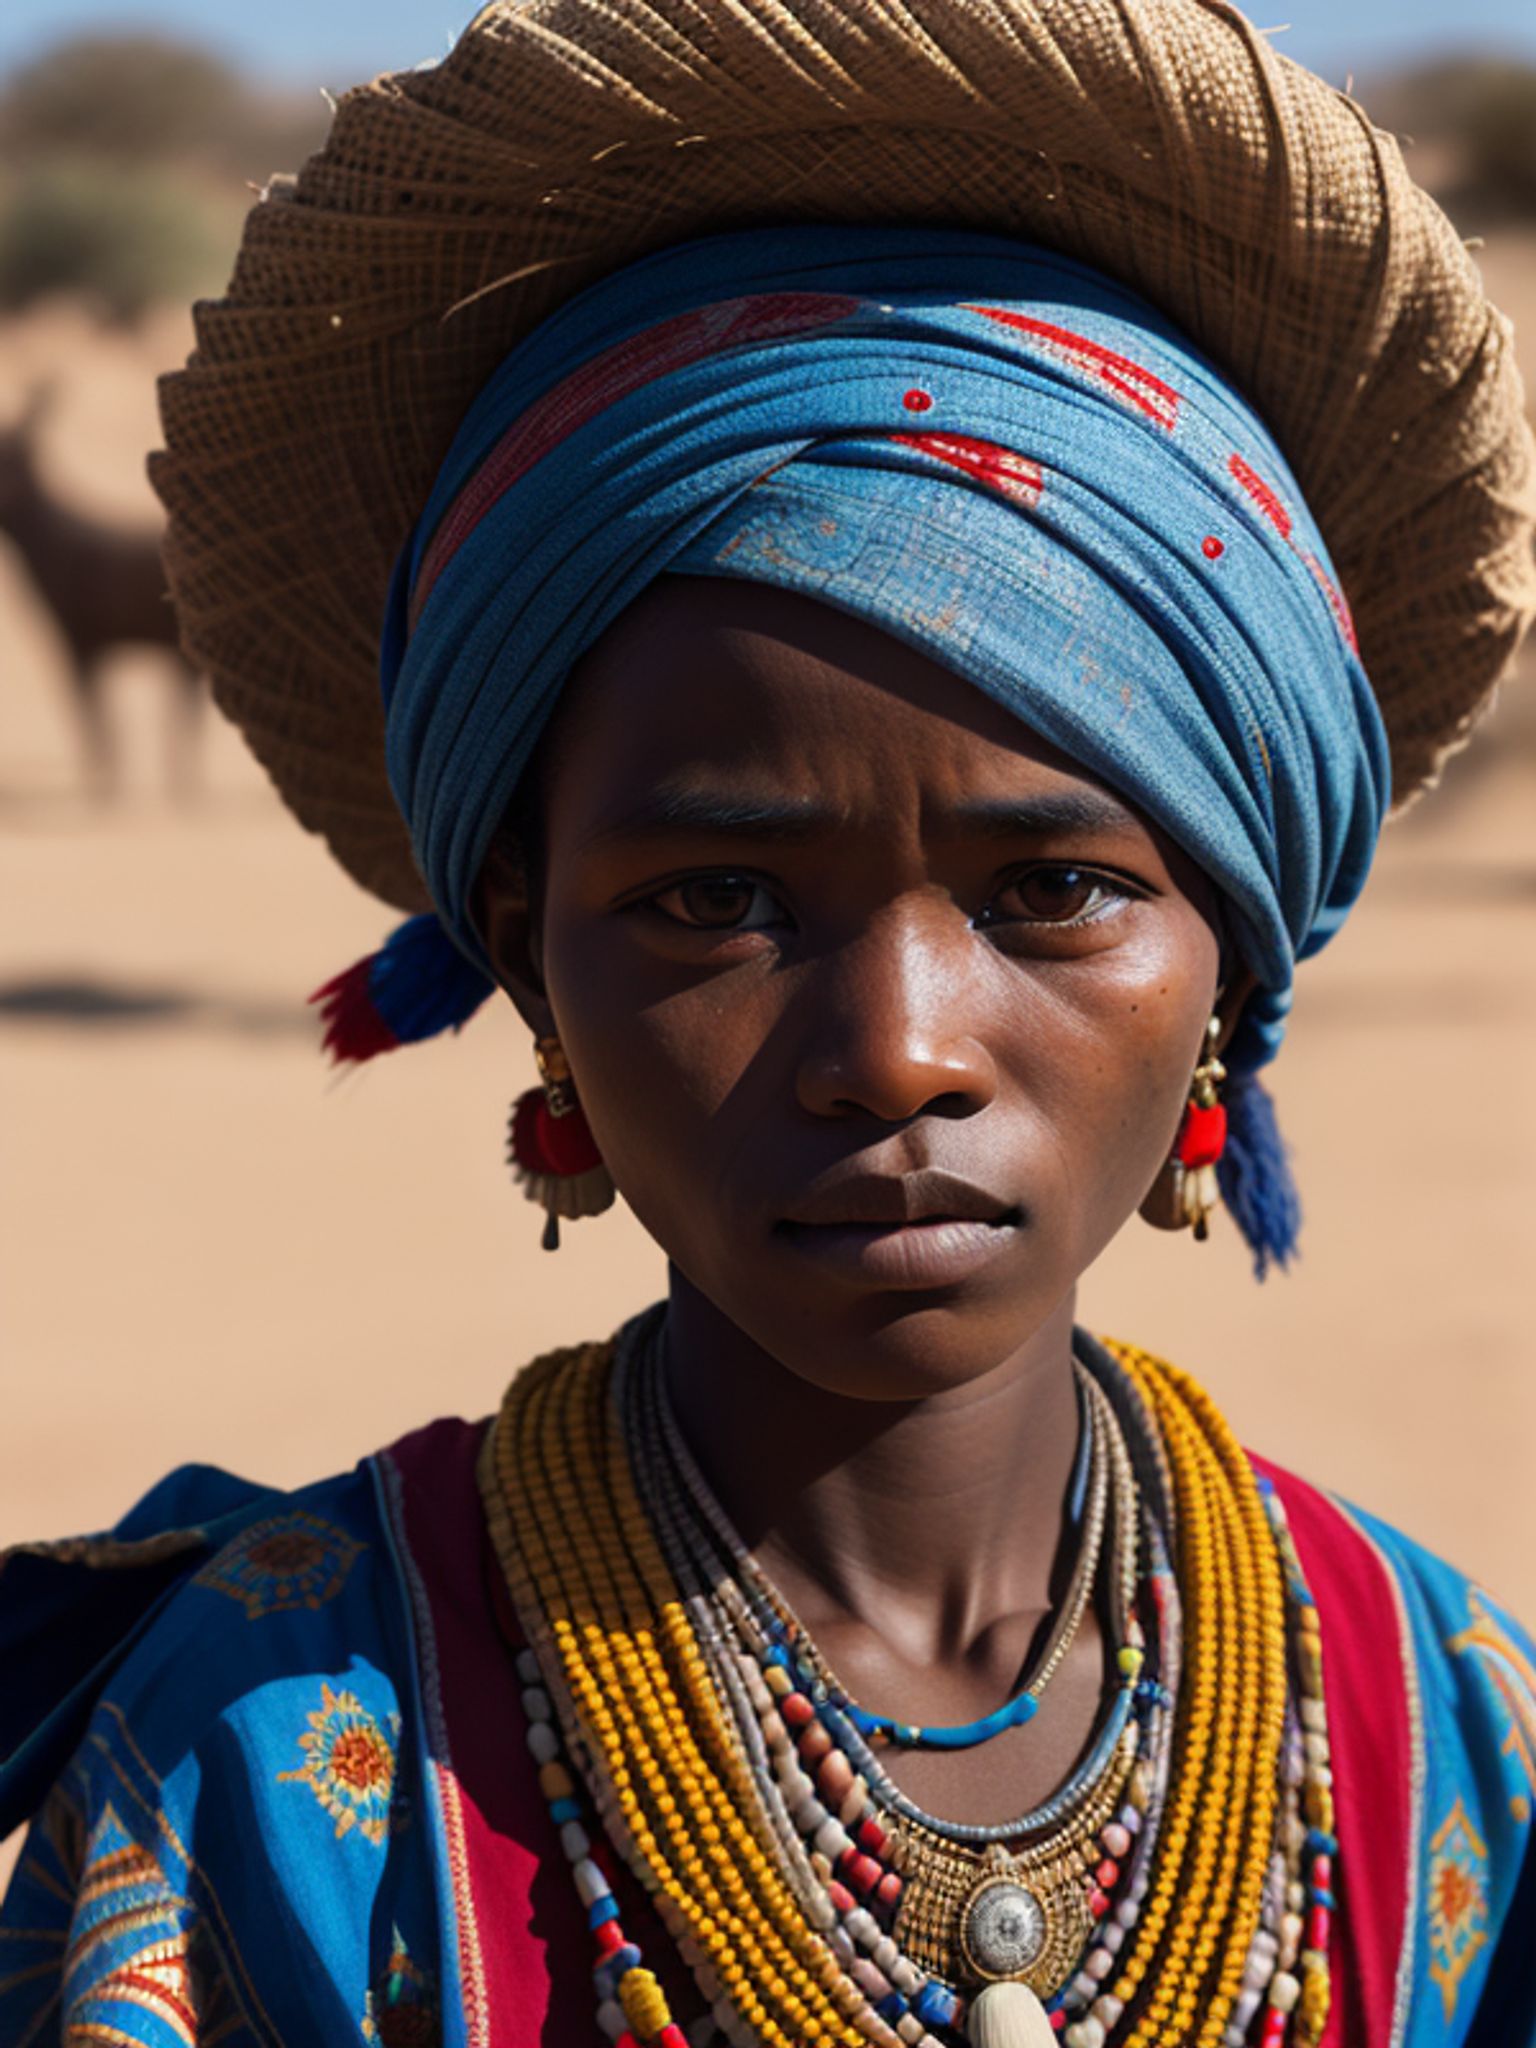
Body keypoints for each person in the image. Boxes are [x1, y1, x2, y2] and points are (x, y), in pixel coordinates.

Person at [3, 3, 1534, 2044]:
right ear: (532, 957)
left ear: (1231, 968)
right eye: (717, 900)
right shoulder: (270, 1766)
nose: (899, 1046)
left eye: (1052, 892)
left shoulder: (1439, 1721)